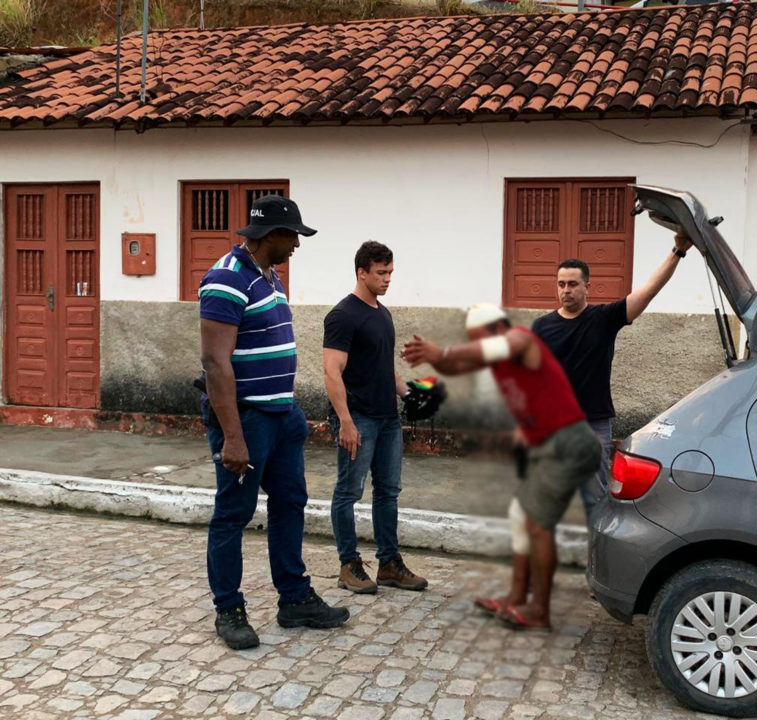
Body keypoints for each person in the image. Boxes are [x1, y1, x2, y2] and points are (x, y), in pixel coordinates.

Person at [199, 195, 349, 650]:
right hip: (247, 418)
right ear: (272, 235)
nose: (297, 246)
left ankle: (294, 598)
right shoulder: (226, 278)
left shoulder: (271, 276)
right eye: (293, 237)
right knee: (233, 514)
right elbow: (215, 362)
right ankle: (229, 609)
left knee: (290, 503)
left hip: (282, 415)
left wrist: (290, 411)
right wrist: (233, 437)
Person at [401, 305, 600, 630]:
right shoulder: (497, 357)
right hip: (548, 447)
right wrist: (434, 357)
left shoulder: (521, 339)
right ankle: (516, 597)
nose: (476, 347)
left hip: (568, 444)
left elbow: (498, 346)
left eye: (478, 339)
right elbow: (454, 365)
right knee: (521, 518)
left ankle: (539, 611)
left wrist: (445, 351)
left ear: (497, 329)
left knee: (537, 525)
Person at [531, 232, 693, 522]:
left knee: (595, 496)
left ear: (587, 286)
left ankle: (596, 546)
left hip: (593, 423)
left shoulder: (604, 318)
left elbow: (648, 292)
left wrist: (677, 252)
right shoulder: (542, 327)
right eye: (561, 284)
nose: (566, 290)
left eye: (573, 284)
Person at [323, 241, 428, 594]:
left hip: (387, 420)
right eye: (381, 273)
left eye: (390, 273)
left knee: (388, 492)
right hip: (359, 419)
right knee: (348, 492)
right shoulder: (342, 316)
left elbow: (384, 368)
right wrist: (345, 421)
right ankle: (348, 565)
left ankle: (389, 564)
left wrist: (410, 395)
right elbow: (332, 371)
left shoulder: (383, 314)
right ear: (361, 272)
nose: (387, 279)